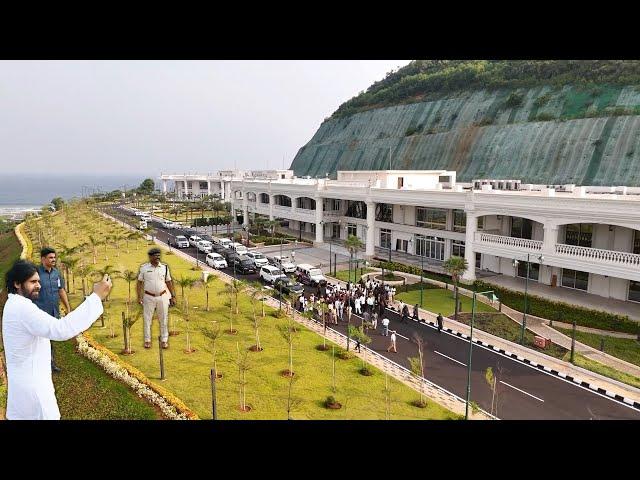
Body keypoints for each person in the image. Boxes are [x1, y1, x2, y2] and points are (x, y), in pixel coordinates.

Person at [2, 259, 112, 419]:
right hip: (34, 393)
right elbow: (61, 330)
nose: (38, 285)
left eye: (38, 281)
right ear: (17, 283)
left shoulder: (13, 305)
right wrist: (96, 297)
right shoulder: (22, 308)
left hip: (24, 390)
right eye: (33, 282)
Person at [33, 247, 72, 373]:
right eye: (51, 257)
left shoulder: (57, 273)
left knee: (49, 340)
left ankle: (50, 364)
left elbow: (61, 290)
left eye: (54, 257)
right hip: (39, 312)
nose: (54, 260)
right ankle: (38, 364)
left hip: (53, 311)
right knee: (38, 340)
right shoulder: (35, 273)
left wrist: (68, 307)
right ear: (43, 259)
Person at [137, 247, 177, 349]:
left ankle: (164, 340)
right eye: (155, 255)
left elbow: (168, 282)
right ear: (150, 257)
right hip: (148, 297)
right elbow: (139, 283)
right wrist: (139, 297)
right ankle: (147, 340)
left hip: (163, 297)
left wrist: (173, 296)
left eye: (159, 255)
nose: (157, 257)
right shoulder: (144, 268)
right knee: (147, 319)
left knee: (163, 319)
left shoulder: (165, 267)